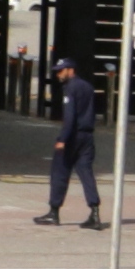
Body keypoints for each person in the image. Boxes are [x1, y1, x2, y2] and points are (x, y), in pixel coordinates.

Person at [39, 53, 106, 228]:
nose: (58, 74)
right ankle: (95, 212)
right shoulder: (87, 86)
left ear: (70, 70)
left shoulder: (71, 88)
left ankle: (54, 212)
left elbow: (70, 116)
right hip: (87, 136)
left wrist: (63, 139)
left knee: (60, 172)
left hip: (73, 136)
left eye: (61, 71)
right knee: (86, 173)